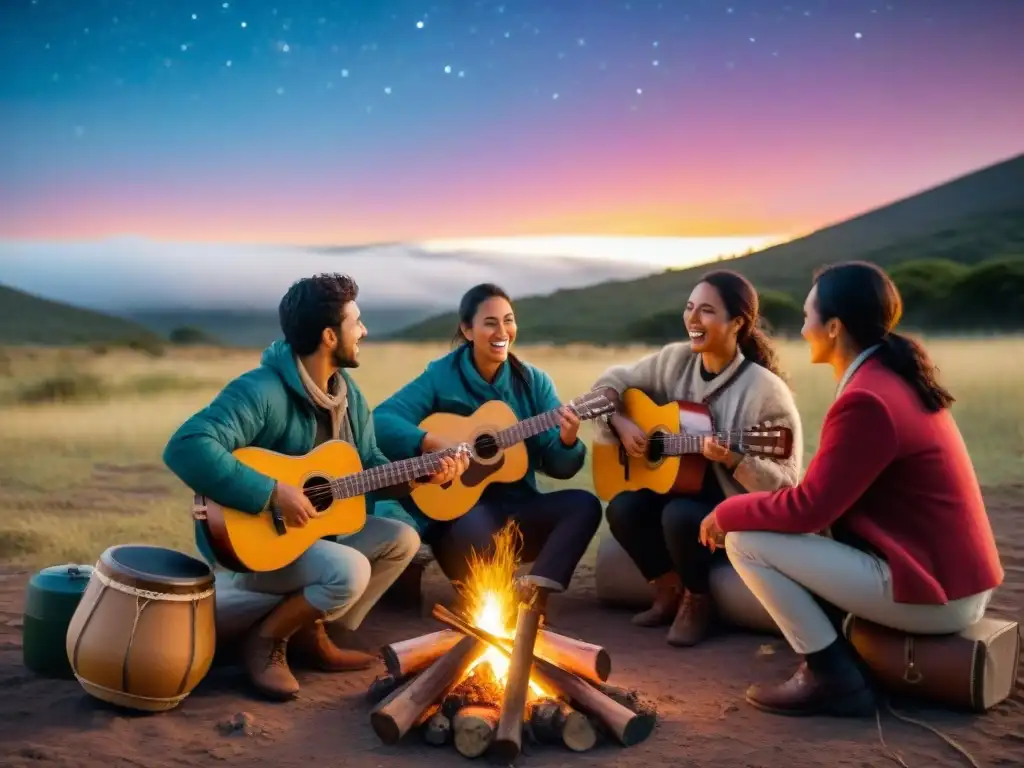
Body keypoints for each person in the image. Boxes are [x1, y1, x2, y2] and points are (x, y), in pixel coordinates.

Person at [702, 261, 1004, 717]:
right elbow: (824, 499)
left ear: (834, 327)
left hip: (936, 595)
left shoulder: (867, 399)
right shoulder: (892, 376)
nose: (803, 329)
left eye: (808, 316)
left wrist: (727, 513)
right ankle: (836, 656)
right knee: (785, 535)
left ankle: (830, 675)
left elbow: (808, 510)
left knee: (746, 541)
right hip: (953, 582)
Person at [162, 273, 468, 701]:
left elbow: (369, 468)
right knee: (350, 570)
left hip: (310, 539)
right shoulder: (261, 390)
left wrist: (421, 474)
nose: (364, 331)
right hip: (254, 546)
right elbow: (186, 446)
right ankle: (266, 640)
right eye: (356, 322)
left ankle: (310, 632)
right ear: (329, 336)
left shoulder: (347, 395)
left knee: (402, 539)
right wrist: (272, 492)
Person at [595, 270, 803, 647]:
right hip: (680, 492)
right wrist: (619, 421)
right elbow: (611, 380)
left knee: (679, 516)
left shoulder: (766, 391)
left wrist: (735, 459)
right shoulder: (674, 360)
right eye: (689, 307)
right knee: (623, 508)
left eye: (706, 310)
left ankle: (698, 599)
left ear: (737, 323)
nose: (692, 318)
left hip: (734, 511)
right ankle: (667, 588)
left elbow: (785, 484)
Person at [371, 283, 603, 596]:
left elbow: (560, 466)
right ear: (467, 330)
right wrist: (430, 441)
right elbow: (382, 420)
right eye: (490, 323)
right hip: (458, 518)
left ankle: (536, 592)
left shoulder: (534, 382)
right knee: (478, 539)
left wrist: (567, 440)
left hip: (517, 508)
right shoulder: (441, 376)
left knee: (584, 505)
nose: (502, 332)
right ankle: (488, 589)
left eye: (509, 320)